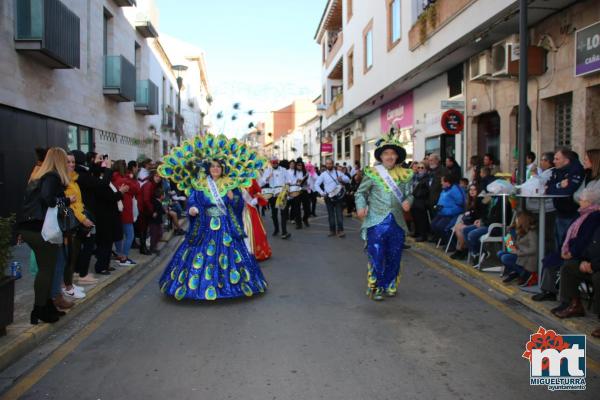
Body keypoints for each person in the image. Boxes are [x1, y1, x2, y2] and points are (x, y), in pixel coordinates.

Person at [159, 158, 268, 300]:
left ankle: (230, 286)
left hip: (226, 225)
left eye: (218, 166)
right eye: (213, 166)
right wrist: (192, 208)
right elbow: (193, 200)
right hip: (205, 224)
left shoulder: (230, 183)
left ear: (222, 169)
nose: (215, 169)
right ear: (208, 169)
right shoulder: (200, 184)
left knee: (229, 254)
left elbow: (239, 204)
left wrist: (233, 198)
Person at [355, 134, 413, 301]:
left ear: (397, 156)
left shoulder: (405, 174)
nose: (389, 156)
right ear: (380, 156)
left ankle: (390, 284)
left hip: (397, 223)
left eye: (392, 153)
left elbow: (410, 194)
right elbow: (360, 193)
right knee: (377, 254)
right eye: (386, 153)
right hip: (375, 221)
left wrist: (408, 201)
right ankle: (377, 286)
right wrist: (360, 207)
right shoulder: (373, 173)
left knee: (394, 255)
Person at [18, 147, 73, 324]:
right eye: (65, 160)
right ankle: (39, 309)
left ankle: (46, 306)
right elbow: (48, 199)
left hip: (32, 228)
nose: (67, 163)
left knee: (47, 268)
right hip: (40, 229)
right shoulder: (52, 176)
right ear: (59, 161)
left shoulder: (40, 175)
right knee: (46, 269)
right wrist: (67, 201)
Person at [534, 187, 600, 302]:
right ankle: (548, 291)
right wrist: (564, 249)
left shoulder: (594, 217)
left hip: (580, 253)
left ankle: (567, 301)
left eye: (582, 199)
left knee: (564, 265)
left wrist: (571, 252)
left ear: (589, 202)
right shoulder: (581, 214)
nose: (579, 200)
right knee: (550, 258)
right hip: (572, 249)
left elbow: (584, 240)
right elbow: (568, 234)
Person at [551, 222, 600, 338]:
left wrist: (593, 266)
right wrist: (584, 260)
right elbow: (591, 246)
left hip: (596, 266)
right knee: (568, 267)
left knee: (598, 278)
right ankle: (575, 304)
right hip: (591, 264)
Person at [62, 153, 94, 300]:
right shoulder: (64, 181)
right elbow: (71, 206)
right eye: (68, 162)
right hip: (70, 223)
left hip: (77, 223)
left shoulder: (73, 180)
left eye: (73, 162)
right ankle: (66, 286)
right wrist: (83, 219)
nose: (72, 164)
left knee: (73, 256)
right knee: (69, 257)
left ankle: (69, 284)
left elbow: (78, 203)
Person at [545, 148, 584, 248]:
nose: (553, 162)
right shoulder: (557, 171)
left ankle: (566, 263)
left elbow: (568, 191)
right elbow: (547, 188)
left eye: (557, 159)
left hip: (571, 213)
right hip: (559, 211)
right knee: (558, 241)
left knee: (566, 244)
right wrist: (559, 185)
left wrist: (554, 188)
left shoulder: (576, 170)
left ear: (566, 160)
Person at [497, 211, 538, 286]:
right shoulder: (521, 230)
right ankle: (516, 272)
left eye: (517, 219)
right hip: (520, 255)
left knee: (505, 258)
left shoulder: (531, 232)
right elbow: (518, 245)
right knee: (500, 253)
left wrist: (517, 252)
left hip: (526, 258)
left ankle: (524, 274)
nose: (516, 221)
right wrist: (509, 241)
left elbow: (534, 249)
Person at [112, 160, 140, 266]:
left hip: (115, 211)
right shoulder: (125, 180)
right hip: (126, 210)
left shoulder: (112, 179)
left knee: (118, 235)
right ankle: (124, 256)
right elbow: (137, 189)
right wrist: (131, 177)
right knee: (130, 235)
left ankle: (119, 255)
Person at [315, 158, 351, 237]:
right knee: (331, 215)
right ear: (326, 164)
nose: (329, 165)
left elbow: (348, 180)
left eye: (330, 163)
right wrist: (322, 193)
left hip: (338, 196)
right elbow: (316, 184)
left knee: (339, 214)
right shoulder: (323, 174)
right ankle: (332, 231)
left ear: (333, 164)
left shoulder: (338, 172)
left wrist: (342, 179)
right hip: (328, 197)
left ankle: (341, 231)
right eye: (327, 164)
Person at [450, 184, 485, 260]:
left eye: (474, 190)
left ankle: (463, 250)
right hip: (469, 221)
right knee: (458, 227)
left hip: (476, 222)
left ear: (478, 191)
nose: (472, 191)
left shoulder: (480, 200)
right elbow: (467, 214)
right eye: (470, 190)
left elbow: (479, 214)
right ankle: (460, 249)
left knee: (462, 229)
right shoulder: (469, 201)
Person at [260, 157, 291, 239]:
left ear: (278, 162)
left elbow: (289, 180)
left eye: (276, 162)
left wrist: (287, 185)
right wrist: (267, 178)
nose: (274, 164)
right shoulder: (268, 170)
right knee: (274, 214)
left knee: (283, 213)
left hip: (282, 193)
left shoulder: (284, 170)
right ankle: (276, 229)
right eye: (273, 163)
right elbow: (261, 182)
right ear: (271, 163)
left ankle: (284, 232)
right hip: (272, 194)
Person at [241, 179, 272, 261]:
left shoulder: (252, 180)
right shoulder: (232, 179)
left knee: (256, 230)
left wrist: (256, 199)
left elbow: (257, 192)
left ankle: (256, 252)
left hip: (250, 209)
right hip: (238, 210)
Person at [429, 174, 465, 244]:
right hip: (442, 212)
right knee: (433, 224)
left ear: (447, 182)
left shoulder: (455, 190)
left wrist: (448, 210)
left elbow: (460, 204)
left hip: (450, 214)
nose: (441, 183)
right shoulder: (445, 189)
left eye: (442, 181)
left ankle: (449, 243)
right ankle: (441, 239)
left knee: (440, 226)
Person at [410, 162, 430, 242]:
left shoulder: (427, 178)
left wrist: (416, 193)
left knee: (422, 219)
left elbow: (426, 190)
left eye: (422, 167)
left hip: (422, 201)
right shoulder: (415, 177)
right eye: (418, 168)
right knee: (415, 218)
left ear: (425, 169)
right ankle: (417, 232)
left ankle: (423, 235)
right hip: (414, 200)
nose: (420, 169)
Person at [149, 187, 166, 255]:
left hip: (158, 221)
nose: (164, 196)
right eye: (164, 195)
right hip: (154, 222)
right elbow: (157, 210)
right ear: (161, 196)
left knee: (159, 234)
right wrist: (155, 212)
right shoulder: (156, 202)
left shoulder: (159, 202)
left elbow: (161, 211)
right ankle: (152, 248)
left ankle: (154, 246)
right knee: (154, 234)